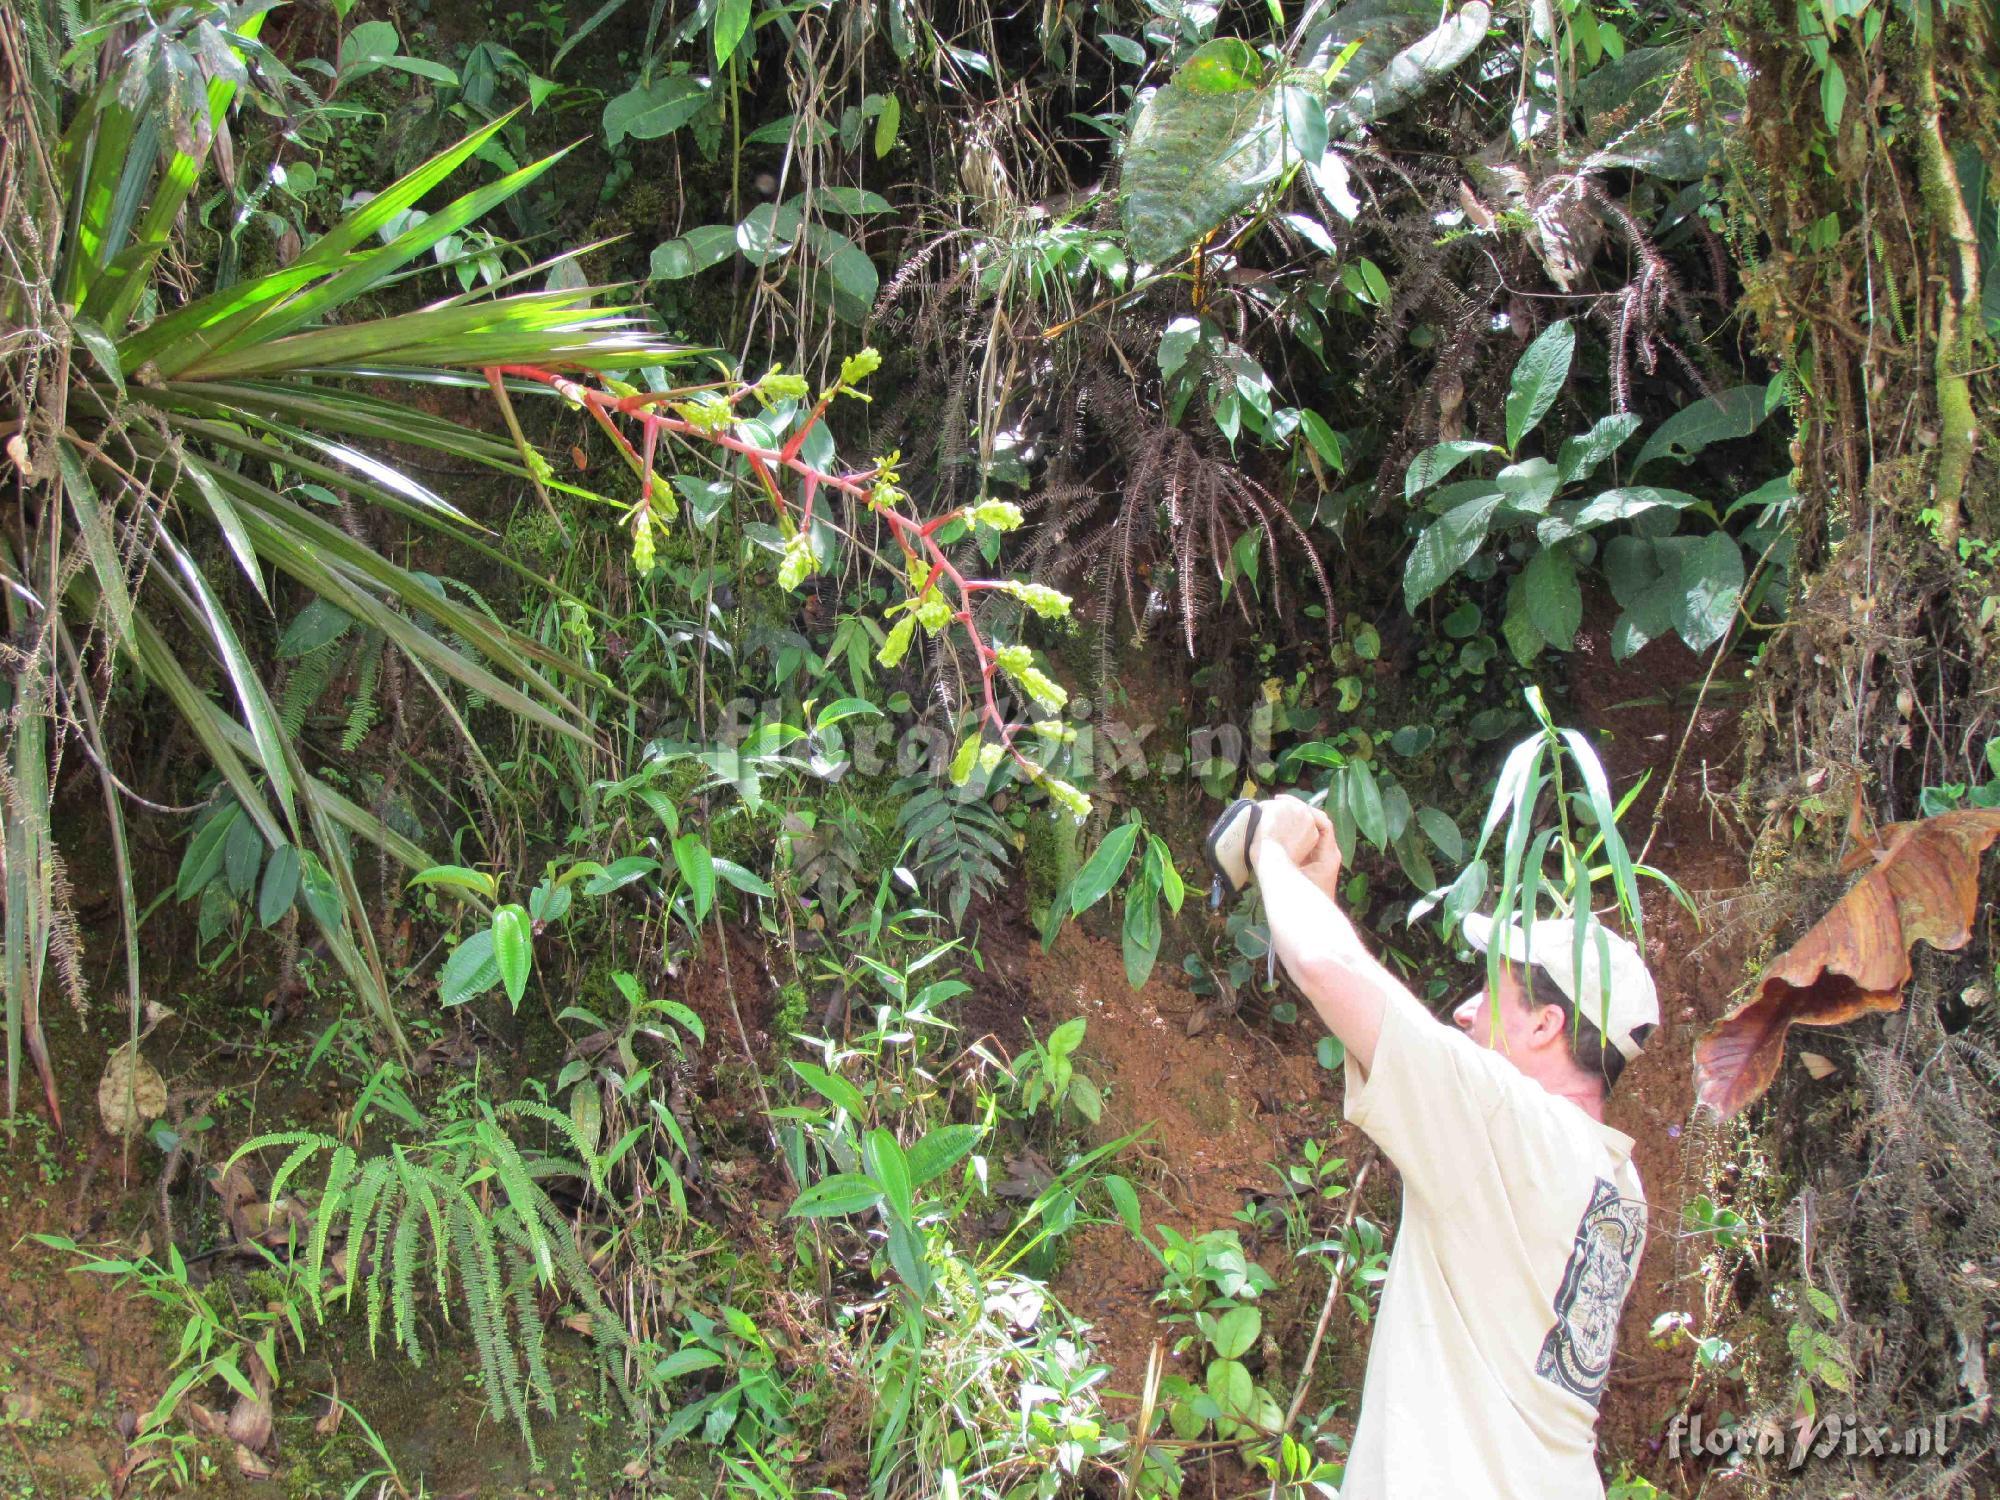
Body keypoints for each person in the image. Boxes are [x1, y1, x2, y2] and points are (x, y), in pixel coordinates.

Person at [1237, 796, 1659, 1499]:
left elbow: (1324, 965)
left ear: (1545, 1025)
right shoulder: (1616, 1181)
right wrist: (1316, 893)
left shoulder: (1512, 1128)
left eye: (1489, 993)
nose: (1463, 1010)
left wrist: (1267, 851)